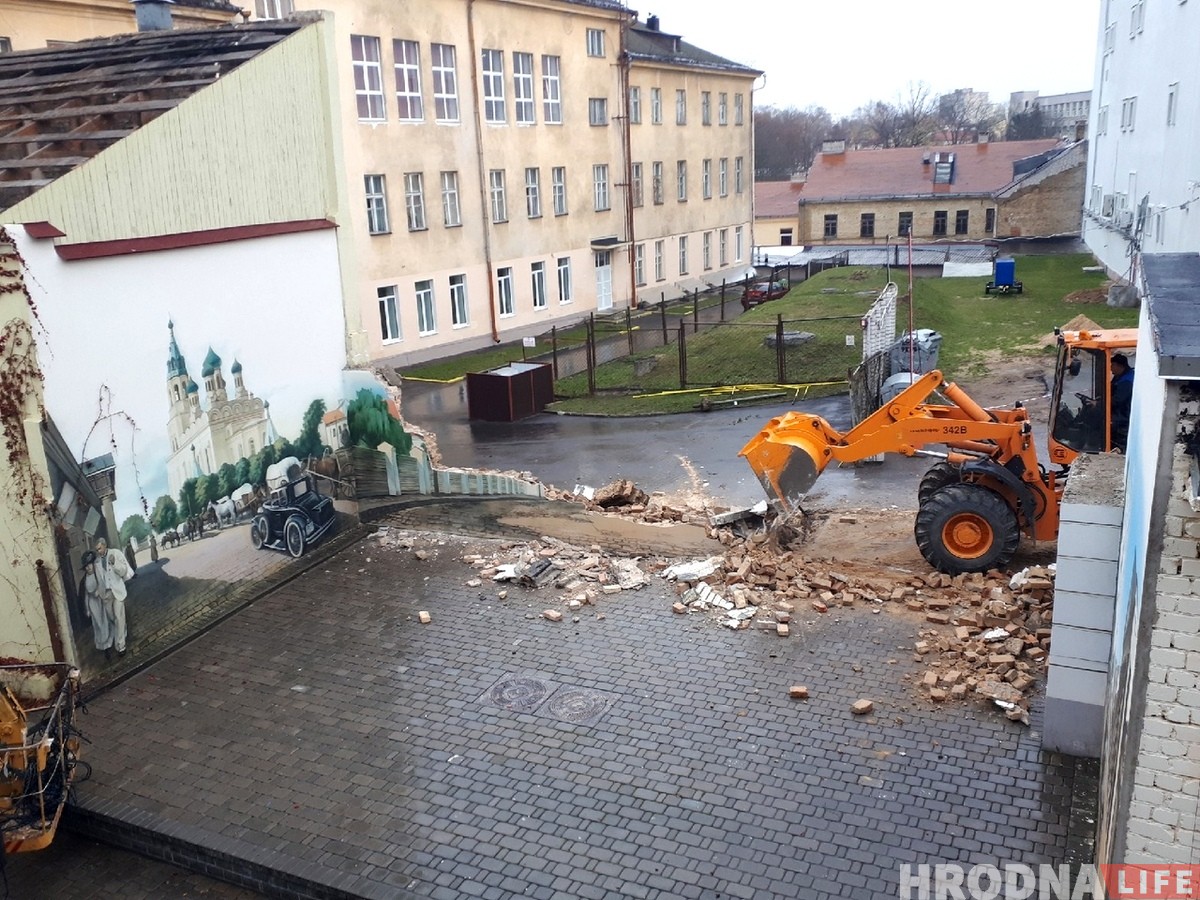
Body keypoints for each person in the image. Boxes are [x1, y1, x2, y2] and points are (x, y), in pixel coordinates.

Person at [95, 537, 132, 655]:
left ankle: (121, 646)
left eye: (100, 548)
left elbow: (123, 571)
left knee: (119, 615)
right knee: (112, 618)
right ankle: (123, 629)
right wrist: (101, 594)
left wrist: (114, 563)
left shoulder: (115, 553)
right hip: (106, 593)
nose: (99, 551)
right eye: (97, 550)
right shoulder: (96, 562)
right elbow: (98, 580)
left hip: (118, 590)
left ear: (105, 545)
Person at [77, 550, 112, 658]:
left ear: (93, 564)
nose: (88, 568)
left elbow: (106, 584)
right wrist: (87, 608)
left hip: (101, 600)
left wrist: (101, 591)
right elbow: (86, 595)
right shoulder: (84, 581)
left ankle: (109, 644)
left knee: (106, 621)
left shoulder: (99, 574)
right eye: (86, 567)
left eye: (90, 565)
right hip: (93, 604)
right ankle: (103, 647)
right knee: (98, 624)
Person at [1110, 353, 1134, 452]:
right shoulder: (1120, 376)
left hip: (1123, 417)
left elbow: (1117, 400)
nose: (1111, 369)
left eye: (1112, 366)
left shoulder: (1126, 381)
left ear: (1120, 366)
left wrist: (1098, 405)